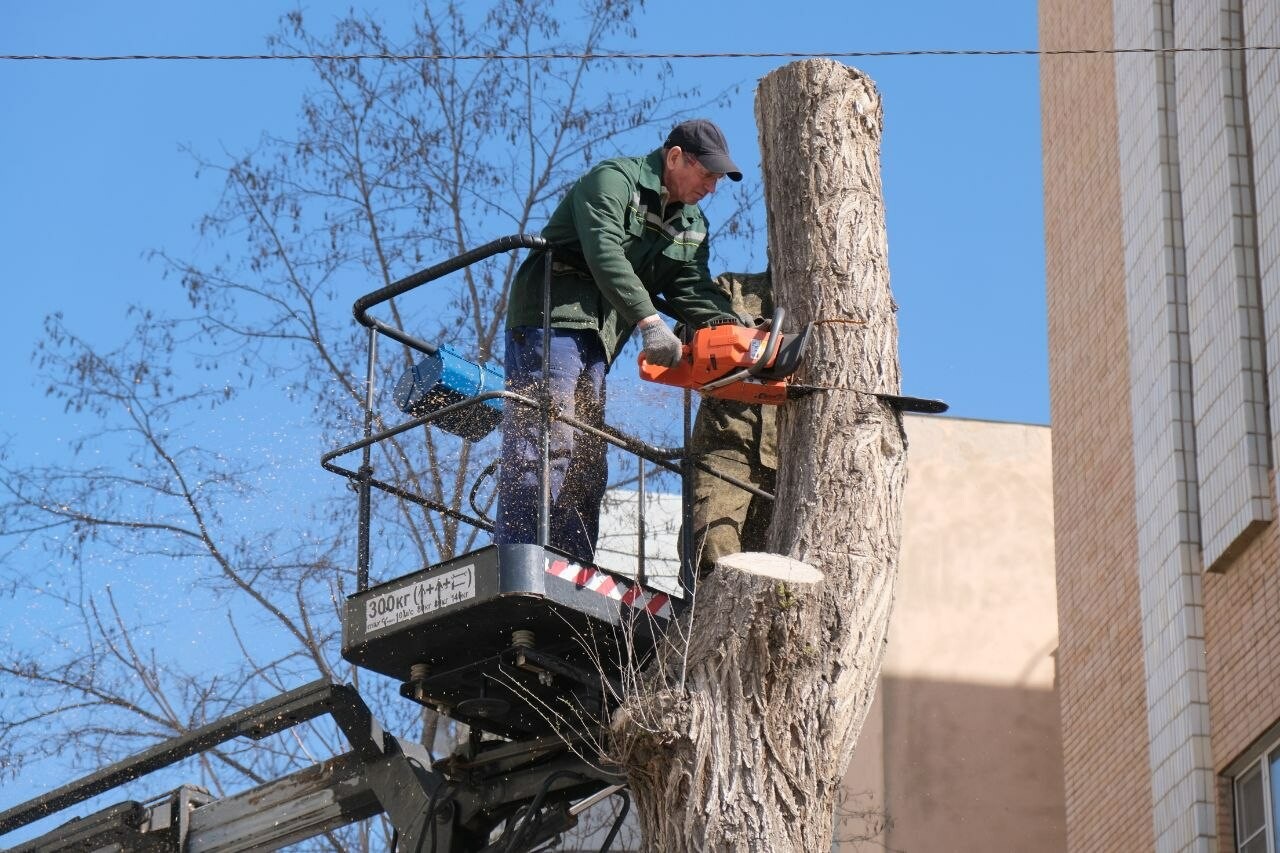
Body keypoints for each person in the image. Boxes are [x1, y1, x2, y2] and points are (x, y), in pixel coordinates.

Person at [495, 119, 744, 563]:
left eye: (717, 180)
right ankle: (523, 555)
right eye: (706, 174)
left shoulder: (692, 226)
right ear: (674, 158)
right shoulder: (613, 180)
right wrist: (649, 321)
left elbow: (691, 289)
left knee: (587, 458)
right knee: (548, 436)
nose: (711, 187)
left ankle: (571, 562)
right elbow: (604, 251)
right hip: (552, 320)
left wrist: (738, 331)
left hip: (600, 340)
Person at [688, 271, 777, 575]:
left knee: (772, 567)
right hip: (726, 447)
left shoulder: (821, 309)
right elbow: (684, 329)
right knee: (712, 544)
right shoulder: (734, 289)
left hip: (789, 465)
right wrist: (722, 325)